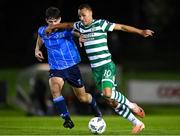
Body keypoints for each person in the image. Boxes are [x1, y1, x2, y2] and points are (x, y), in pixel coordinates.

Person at [45, 4, 154, 134]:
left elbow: (122, 27)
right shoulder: (80, 26)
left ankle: (132, 106)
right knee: (111, 102)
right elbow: (68, 25)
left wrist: (141, 32)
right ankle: (137, 123)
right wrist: (54, 26)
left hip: (106, 64)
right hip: (96, 70)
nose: (82, 18)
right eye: (79, 16)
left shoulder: (101, 24)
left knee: (108, 93)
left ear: (91, 13)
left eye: (84, 15)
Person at [35, 6, 102, 129]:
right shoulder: (42, 30)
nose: (53, 24)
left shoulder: (65, 29)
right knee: (55, 89)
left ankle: (95, 107)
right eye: (50, 22)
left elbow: (75, 31)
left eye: (55, 21)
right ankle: (67, 119)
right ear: (46, 21)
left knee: (82, 98)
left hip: (71, 68)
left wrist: (80, 36)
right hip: (56, 68)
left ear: (59, 20)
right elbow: (40, 38)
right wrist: (37, 49)